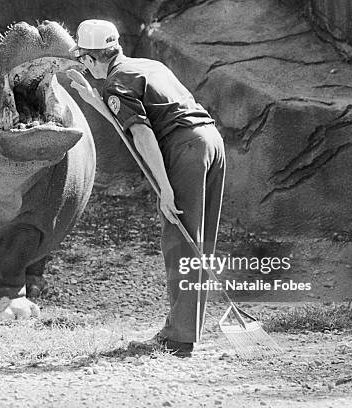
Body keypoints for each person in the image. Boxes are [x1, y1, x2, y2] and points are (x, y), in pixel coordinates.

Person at [67, 19, 225, 357]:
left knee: (180, 242)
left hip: (185, 151)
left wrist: (164, 189)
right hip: (210, 141)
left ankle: (179, 339)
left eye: (82, 58)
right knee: (198, 239)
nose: (82, 64)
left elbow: (141, 133)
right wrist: (91, 97)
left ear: (92, 59)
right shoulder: (144, 66)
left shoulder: (116, 82)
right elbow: (127, 116)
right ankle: (185, 330)